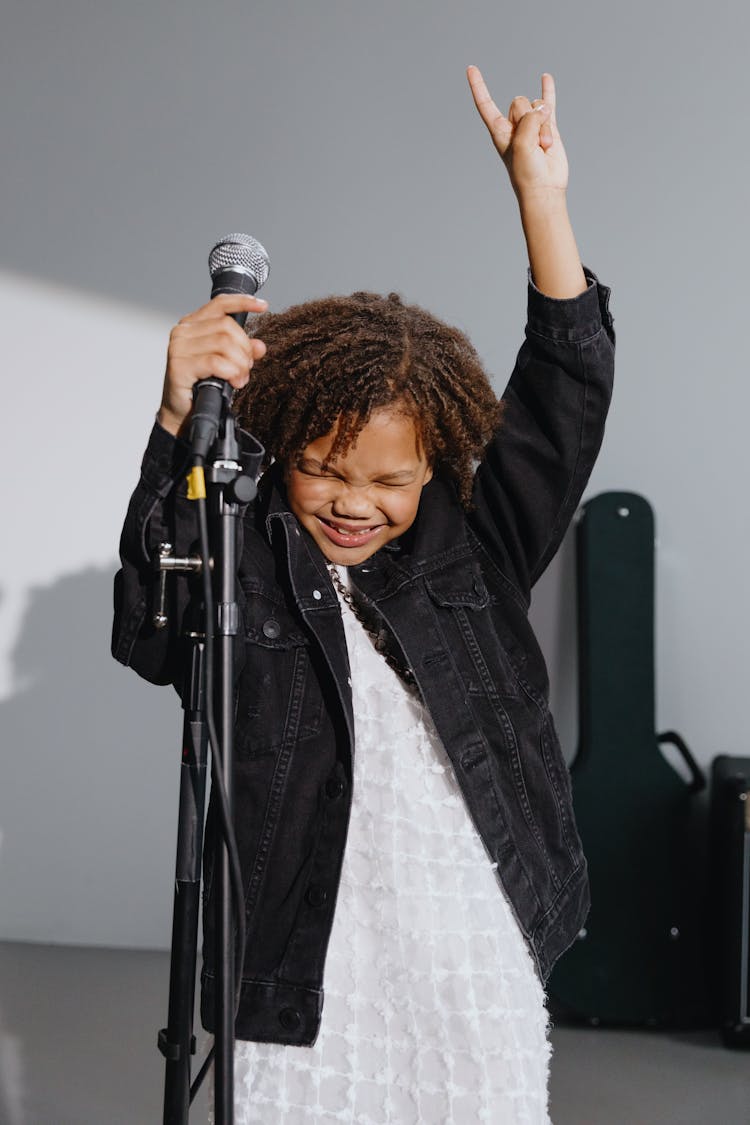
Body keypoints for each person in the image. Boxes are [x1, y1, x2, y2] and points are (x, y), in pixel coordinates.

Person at [113, 67, 614, 1124]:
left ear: (438, 463)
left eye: (391, 479)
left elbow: (567, 390)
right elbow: (153, 634)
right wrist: (171, 426)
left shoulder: (475, 548)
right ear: (277, 441)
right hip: (305, 944)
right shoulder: (239, 546)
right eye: (325, 469)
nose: (354, 503)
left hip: (471, 921)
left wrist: (542, 201)